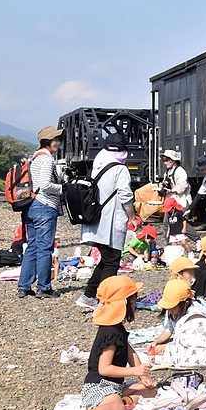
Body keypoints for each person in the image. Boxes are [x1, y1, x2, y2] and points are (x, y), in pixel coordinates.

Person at [67, 276, 157, 410]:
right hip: (98, 386)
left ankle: (124, 400)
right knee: (117, 406)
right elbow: (104, 369)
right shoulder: (110, 332)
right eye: (133, 300)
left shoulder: (117, 328)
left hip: (113, 386)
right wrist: (133, 371)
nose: (135, 304)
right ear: (125, 303)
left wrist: (144, 377)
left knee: (151, 391)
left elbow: (131, 353)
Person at [75, 133, 137, 312]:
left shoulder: (97, 164)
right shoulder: (120, 169)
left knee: (107, 259)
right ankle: (105, 301)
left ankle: (88, 296)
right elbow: (125, 195)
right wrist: (133, 216)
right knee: (111, 262)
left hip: (95, 220)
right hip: (109, 221)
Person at [17, 126, 65, 299]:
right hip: (44, 206)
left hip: (31, 206)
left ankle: (24, 286)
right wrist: (63, 188)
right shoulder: (46, 159)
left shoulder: (34, 158)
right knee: (45, 248)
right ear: (48, 142)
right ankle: (44, 287)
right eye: (56, 140)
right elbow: (45, 185)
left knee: (32, 247)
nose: (58, 143)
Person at [150, 279, 206, 354]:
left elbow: (193, 341)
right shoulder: (172, 311)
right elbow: (168, 330)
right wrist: (156, 342)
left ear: (186, 303)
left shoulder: (195, 313)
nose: (170, 310)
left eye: (173, 307)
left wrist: (166, 347)